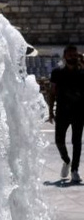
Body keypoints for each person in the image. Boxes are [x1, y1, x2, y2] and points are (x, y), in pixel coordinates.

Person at [48, 45, 84, 183]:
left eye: (75, 55)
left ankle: (75, 169)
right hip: (62, 111)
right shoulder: (57, 72)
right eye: (70, 55)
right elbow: (52, 92)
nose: (73, 57)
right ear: (65, 56)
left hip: (79, 112)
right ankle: (66, 161)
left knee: (77, 142)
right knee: (59, 141)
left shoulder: (82, 73)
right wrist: (50, 111)